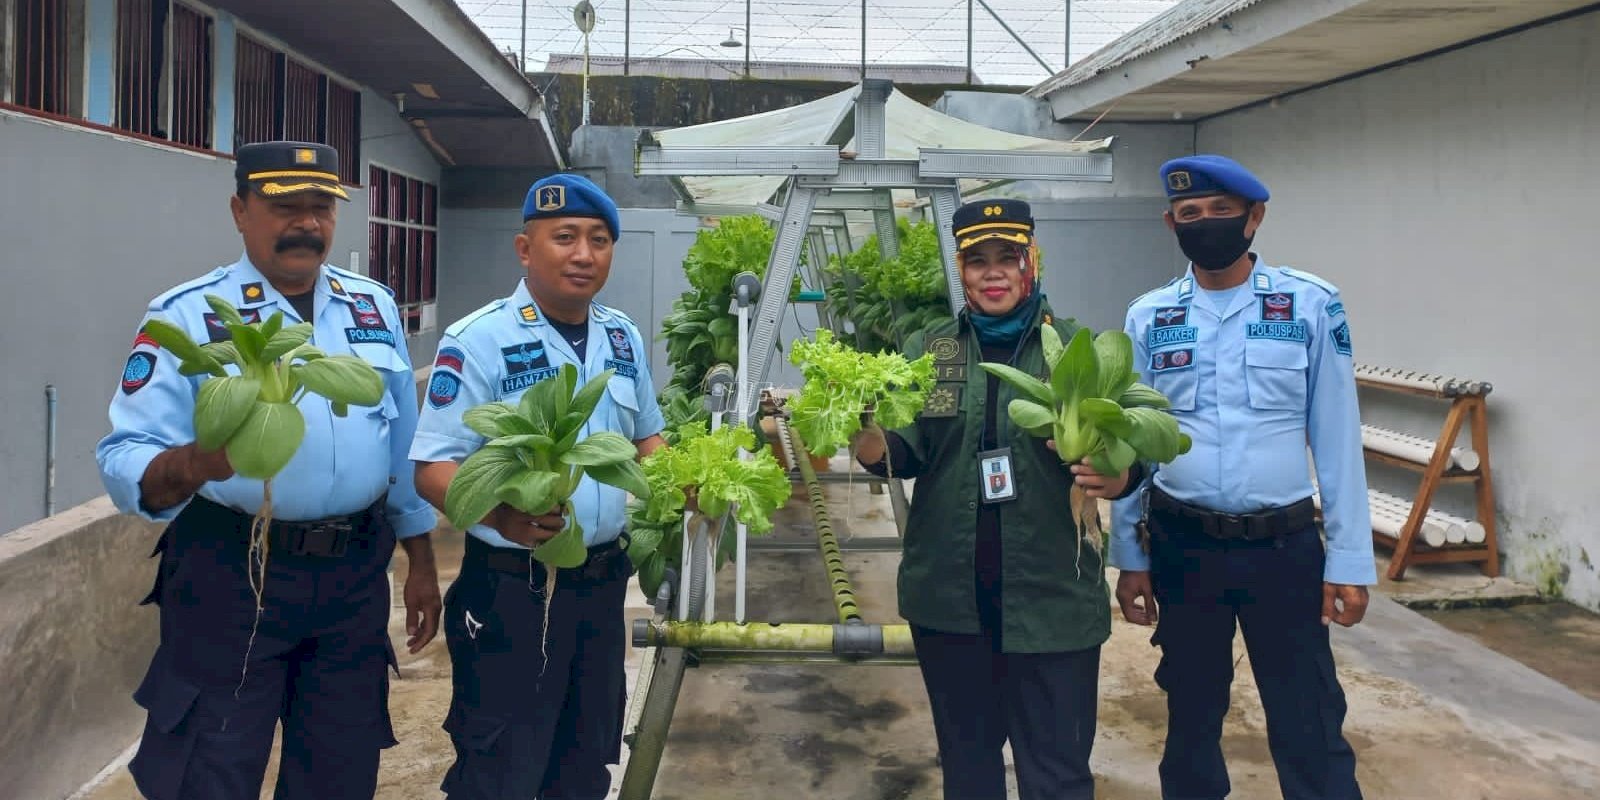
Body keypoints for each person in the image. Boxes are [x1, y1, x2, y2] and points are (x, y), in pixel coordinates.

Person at [95, 141, 442, 800]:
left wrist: (419, 559)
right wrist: (197, 463)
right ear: (239, 210)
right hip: (233, 572)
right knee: (212, 770)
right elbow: (124, 453)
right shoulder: (189, 316)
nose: (306, 223)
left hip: (353, 575)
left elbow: (397, 443)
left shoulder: (372, 308)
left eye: (320, 208)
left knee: (339, 771)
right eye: (285, 206)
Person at [851, 198, 1139, 800]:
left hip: (1050, 602)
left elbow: (1132, 444)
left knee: (1056, 774)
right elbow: (909, 449)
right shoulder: (935, 351)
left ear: (1032, 261)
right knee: (968, 769)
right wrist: (870, 440)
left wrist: (1121, 475)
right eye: (977, 260)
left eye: (1008, 257)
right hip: (952, 602)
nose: (993, 272)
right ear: (962, 270)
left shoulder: (1073, 349)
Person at [1111, 154, 1375, 800]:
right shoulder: (1150, 317)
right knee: (1191, 720)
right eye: (1190, 216)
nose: (1206, 225)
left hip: (1283, 551)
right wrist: (1130, 557)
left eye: (1221, 213)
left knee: (1308, 719)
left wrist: (1349, 560)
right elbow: (1132, 445)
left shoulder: (1310, 305)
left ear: (1254, 218)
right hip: (1185, 546)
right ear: (1171, 225)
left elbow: (1338, 438)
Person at [410, 173, 666, 799]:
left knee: (584, 763)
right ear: (527, 249)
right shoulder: (479, 340)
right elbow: (432, 469)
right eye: (566, 237)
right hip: (513, 594)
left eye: (600, 240)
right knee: (500, 768)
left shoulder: (620, 336)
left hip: (602, 587)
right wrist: (502, 516)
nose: (584, 254)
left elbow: (647, 442)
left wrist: (688, 483)